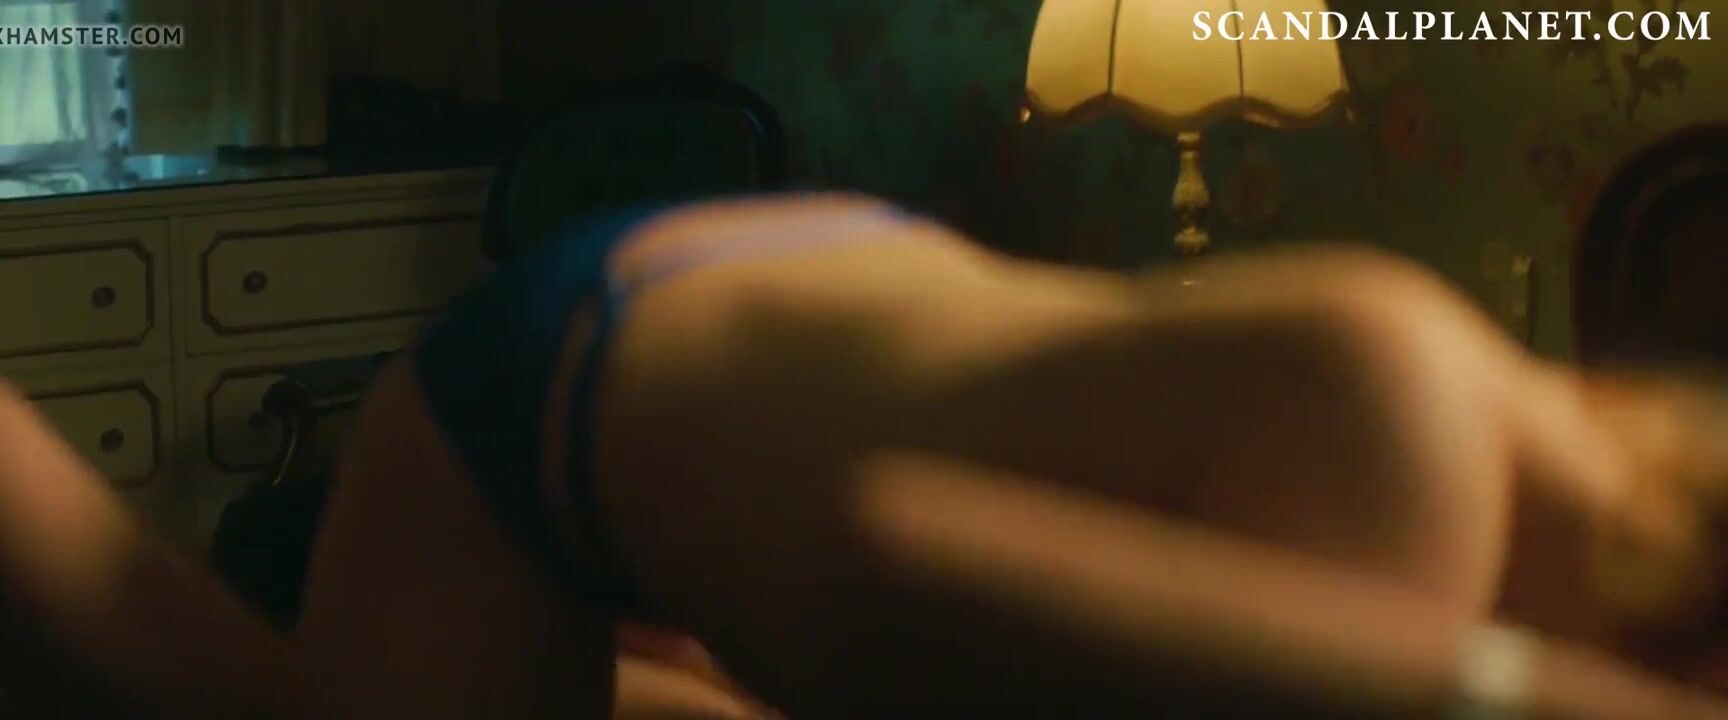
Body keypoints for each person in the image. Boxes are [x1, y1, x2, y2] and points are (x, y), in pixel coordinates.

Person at [4, 193, 1728, 718]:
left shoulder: (1479, 410)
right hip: (575, 388)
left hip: (813, 290)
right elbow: (896, 544)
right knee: (181, 670)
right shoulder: (1415, 462)